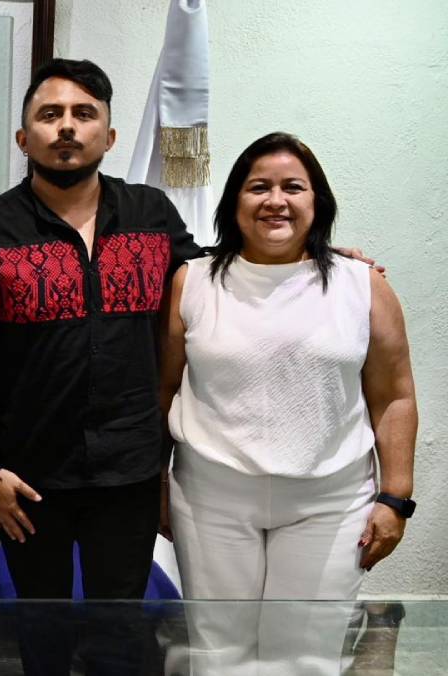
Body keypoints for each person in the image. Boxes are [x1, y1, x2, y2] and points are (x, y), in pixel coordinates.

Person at [0, 57, 202, 672]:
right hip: (27, 479)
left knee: (121, 636)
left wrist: (315, 260)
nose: (66, 127)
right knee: (42, 637)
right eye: (49, 114)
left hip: (130, 471)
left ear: (109, 136)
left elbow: (218, 282)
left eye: (84, 114)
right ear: (23, 136)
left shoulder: (151, 217)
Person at [159, 132, 417, 674]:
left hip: (331, 502)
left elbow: (394, 396)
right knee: (218, 656)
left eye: (292, 187)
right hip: (211, 500)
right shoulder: (193, 281)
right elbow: (163, 391)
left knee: (304, 659)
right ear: (235, 201)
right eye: (259, 187)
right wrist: (154, 481)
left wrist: (395, 499)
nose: (275, 201)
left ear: (317, 201)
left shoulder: (363, 285)